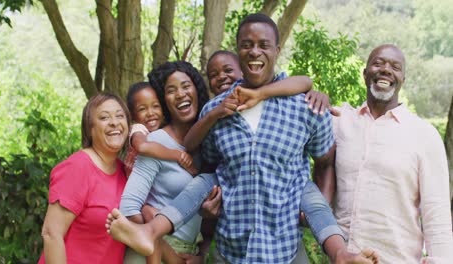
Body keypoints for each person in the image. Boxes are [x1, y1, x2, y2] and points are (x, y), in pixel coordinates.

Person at [107, 14, 378, 264]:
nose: (255, 51)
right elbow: (210, 167)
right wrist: (207, 212)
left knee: (310, 193)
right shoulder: (215, 111)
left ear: (277, 50)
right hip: (230, 251)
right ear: (239, 51)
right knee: (204, 180)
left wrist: (316, 209)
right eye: (247, 45)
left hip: (284, 249)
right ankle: (151, 231)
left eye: (264, 44)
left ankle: (341, 254)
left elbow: (325, 160)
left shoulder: (306, 106)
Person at [330, 44, 453, 263]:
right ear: (365, 73)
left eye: (395, 67)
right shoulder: (340, 123)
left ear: (403, 79)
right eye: (378, 63)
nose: (386, 69)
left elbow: (437, 214)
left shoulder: (424, 135)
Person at [118, 61, 211, 263]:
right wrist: (167, 252)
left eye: (186, 86)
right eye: (171, 90)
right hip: (153, 253)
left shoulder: (209, 146)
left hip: (189, 254)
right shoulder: (158, 142)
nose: (180, 94)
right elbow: (128, 208)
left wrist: (202, 254)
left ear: (197, 89)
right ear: (164, 100)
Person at [39, 93, 129, 263]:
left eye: (120, 116)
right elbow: (51, 234)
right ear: (90, 128)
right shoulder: (77, 167)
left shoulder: (125, 172)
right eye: (104, 117)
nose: (114, 122)